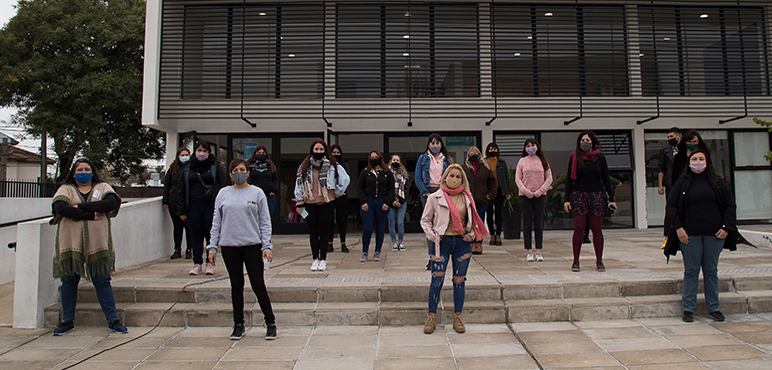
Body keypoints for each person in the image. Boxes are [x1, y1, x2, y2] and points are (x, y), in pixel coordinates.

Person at [51, 158, 127, 335]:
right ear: (73, 173)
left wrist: (78, 207)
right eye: (79, 170)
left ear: (93, 172)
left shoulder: (102, 188)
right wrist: (91, 215)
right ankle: (67, 320)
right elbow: (61, 208)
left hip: (97, 245)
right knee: (69, 281)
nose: (83, 173)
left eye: (87, 169)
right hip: (71, 244)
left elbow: (109, 204)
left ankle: (112, 320)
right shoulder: (66, 189)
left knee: (102, 280)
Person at [207, 159, 277, 340]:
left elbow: (265, 222)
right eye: (235, 170)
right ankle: (238, 324)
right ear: (230, 174)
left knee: (258, 284)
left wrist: (266, 246)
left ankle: (270, 322)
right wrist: (212, 247)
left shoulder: (257, 193)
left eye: (242, 169)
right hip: (230, 246)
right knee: (236, 286)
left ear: (248, 172)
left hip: (252, 246)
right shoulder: (223, 194)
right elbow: (216, 222)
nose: (239, 172)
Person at [665, 150, 737, 323]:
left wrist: (726, 227)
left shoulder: (717, 182)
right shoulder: (682, 183)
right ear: (689, 163)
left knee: (711, 271)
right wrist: (679, 229)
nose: (698, 162)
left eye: (701, 159)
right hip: (689, 236)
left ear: (707, 161)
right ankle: (689, 308)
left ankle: (714, 307)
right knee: (691, 271)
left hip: (715, 235)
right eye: (694, 159)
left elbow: (730, 205)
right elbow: (672, 206)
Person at [421, 164, 488, 334]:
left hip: (461, 243)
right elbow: (425, 220)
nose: (455, 179)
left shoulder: (467, 197)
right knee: (437, 280)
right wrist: (433, 235)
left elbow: (474, 220)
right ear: (445, 177)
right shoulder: (434, 198)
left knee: (459, 281)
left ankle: (457, 316)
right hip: (441, 244)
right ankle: (431, 316)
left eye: (458, 177)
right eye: (452, 175)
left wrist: (471, 235)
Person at [563, 131, 616, 272]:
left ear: (593, 142)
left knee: (597, 228)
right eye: (582, 140)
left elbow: (606, 179)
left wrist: (612, 199)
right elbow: (569, 179)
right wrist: (566, 199)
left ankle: (599, 260)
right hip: (579, 195)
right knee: (579, 228)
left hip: (597, 195)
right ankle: (576, 260)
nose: (584, 143)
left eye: (587, 140)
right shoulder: (574, 157)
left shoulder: (600, 158)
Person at [294, 139, 350, 271]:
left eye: (321, 149)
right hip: (309, 203)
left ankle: (323, 259)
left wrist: (337, 192)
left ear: (325, 150)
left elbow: (345, 179)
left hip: (326, 202)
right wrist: (299, 201)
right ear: (312, 150)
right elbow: (298, 183)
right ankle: (315, 259)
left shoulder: (332, 165)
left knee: (324, 232)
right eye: (316, 149)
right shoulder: (305, 165)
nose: (318, 152)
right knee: (314, 232)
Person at [177, 140, 227, 276]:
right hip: (192, 206)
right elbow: (181, 189)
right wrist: (181, 209)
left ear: (209, 152)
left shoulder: (215, 166)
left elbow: (222, 186)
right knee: (196, 236)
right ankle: (197, 263)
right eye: (199, 150)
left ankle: (210, 263)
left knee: (210, 235)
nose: (202, 153)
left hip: (210, 206)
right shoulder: (188, 168)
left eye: (205, 151)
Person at [415, 133, 452, 269]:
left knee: (441, 224)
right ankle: (432, 258)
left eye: (437, 143)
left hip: (442, 192)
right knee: (429, 226)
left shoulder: (446, 160)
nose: (435, 146)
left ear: (441, 145)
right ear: (428, 145)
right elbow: (418, 177)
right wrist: (424, 191)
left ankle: (441, 256)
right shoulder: (422, 158)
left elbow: (450, 177)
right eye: (432, 143)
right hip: (427, 193)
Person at [516, 139, 553, 262]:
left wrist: (540, 191)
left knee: (539, 224)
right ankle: (528, 251)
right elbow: (518, 179)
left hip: (540, 196)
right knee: (527, 224)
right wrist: (526, 191)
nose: (530, 147)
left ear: (537, 147)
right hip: (525, 196)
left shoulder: (543, 161)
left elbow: (549, 178)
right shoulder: (522, 161)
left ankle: (538, 251)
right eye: (528, 146)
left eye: (533, 145)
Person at [358, 150, 395, 262]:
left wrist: (387, 202)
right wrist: (363, 202)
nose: (374, 158)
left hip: (381, 202)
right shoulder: (365, 172)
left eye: (376, 156)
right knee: (368, 228)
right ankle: (365, 251)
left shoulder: (387, 172)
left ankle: (377, 251)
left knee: (380, 228)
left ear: (380, 158)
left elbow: (391, 189)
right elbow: (360, 188)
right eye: (372, 157)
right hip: (368, 202)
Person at [462, 146, 497, 254]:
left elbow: (492, 182)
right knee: (470, 222)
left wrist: (491, 195)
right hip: (469, 200)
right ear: (468, 155)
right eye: (471, 153)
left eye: (475, 153)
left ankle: (479, 243)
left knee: (480, 222)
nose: (473, 155)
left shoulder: (485, 167)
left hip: (482, 200)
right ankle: (472, 244)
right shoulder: (464, 168)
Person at [163, 147, 193, 259]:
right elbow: (167, 185)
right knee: (177, 227)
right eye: (182, 155)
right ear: (178, 156)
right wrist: (165, 200)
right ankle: (177, 250)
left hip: (188, 201)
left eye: (187, 154)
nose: (184, 157)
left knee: (189, 227)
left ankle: (189, 249)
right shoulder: (172, 170)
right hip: (174, 201)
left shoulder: (191, 168)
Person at [484, 142, 513, 246]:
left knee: (499, 213)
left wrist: (508, 192)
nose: (493, 151)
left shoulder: (501, 162)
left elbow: (506, 177)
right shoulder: (484, 162)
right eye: (491, 149)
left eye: (494, 149)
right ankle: (491, 234)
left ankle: (498, 235)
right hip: (488, 191)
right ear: (487, 151)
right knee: (490, 213)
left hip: (499, 190)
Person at [246, 145, 280, 219]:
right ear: (255, 154)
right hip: (253, 195)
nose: (261, 154)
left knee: (266, 218)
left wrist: (274, 190)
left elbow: (275, 179)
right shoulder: (249, 165)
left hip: (268, 195)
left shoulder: (270, 165)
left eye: (263, 153)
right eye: (259, 152)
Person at [328, 144, 350, 253]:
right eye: (333, 152)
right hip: (330, 196)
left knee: (341, 219)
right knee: (329, 219)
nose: (336, 154)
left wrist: (338, 191)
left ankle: (343, 243)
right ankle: (329, 243)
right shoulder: (327, 165)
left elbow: (346, 180)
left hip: (341, 196)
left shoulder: (344, 165)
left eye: (338, 152)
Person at [388, 154, 408, 252]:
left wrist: (400, 201)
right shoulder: (387, 173)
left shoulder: (404, 174)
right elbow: (386, 189)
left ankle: (400, 242)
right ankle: (394, 243)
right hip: (390, 202)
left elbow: (406, 189)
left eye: (398, 160)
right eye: (394, 160)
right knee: (391, 223)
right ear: (391, 161)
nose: (396, 161)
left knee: (400, 223)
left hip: (401, 202)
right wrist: (392, 201)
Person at [658, 127, 681, 198]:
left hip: (683, 182)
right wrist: (660, 185)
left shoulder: (685, 150)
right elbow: (661, 168)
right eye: (668, 137)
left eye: (672, 136)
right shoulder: (665, 151)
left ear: (678, 136)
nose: (670, 139)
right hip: (670, 183)